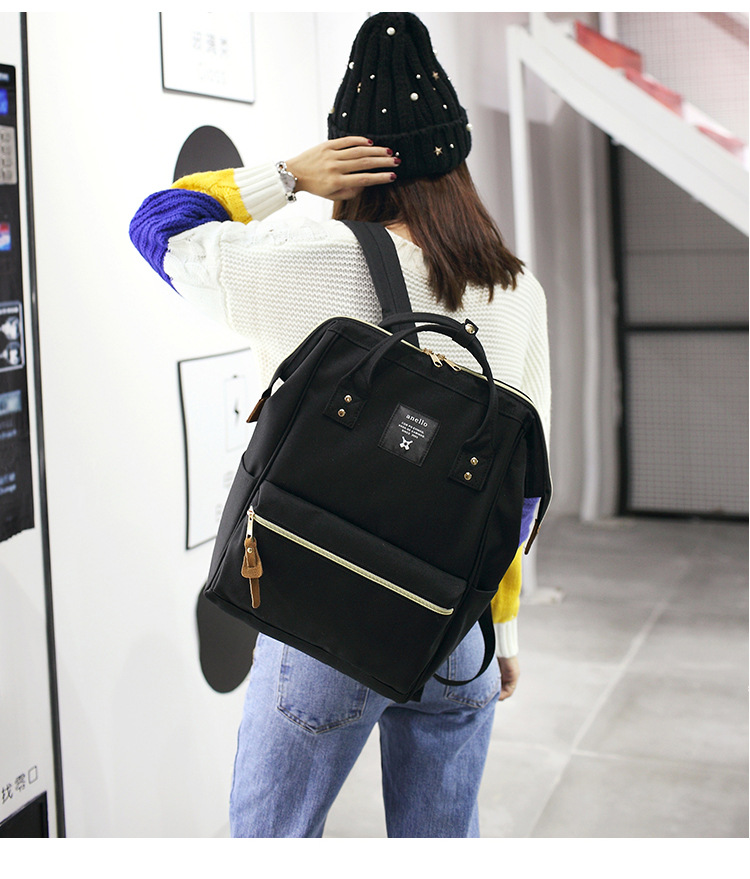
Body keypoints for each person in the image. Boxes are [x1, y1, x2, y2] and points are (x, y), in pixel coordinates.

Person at [130, 12, 551, 838]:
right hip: (454, 626)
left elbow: (158, 223)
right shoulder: (518, 288)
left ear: (347, 162)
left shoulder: (304, 261)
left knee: (273, 839)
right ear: (457, 161)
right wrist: (500, 628)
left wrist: (287, 176)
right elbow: (521, 492)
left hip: (326, 619)